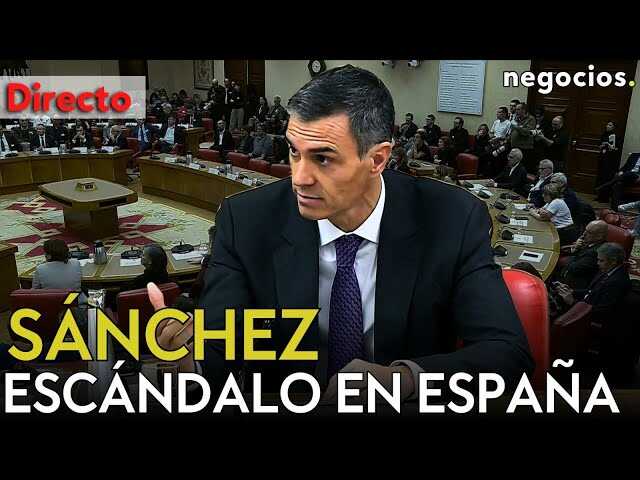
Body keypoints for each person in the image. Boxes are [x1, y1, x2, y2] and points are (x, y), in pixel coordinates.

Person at [149, 64, 533, 397]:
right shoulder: (246, 220)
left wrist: (406, 379)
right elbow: (221, 346)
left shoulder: (451, 218)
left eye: (323, 158)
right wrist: (190, 365)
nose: (299, 178)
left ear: (377, 159)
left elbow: (507, 353)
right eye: (294, 151)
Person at [556, 220, 609, 290]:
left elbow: (574, 268)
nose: (584, 234)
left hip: (575, 283)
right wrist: (576, 248)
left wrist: (577, 249)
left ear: (599, 237)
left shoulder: (596, 252)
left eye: (589, 232)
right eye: (585, 230)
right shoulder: (591, 242)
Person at [594, 121, 621, 202]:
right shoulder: (604, 134)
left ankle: (605, 197)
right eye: (607, 124)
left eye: (610, 125)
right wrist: (602, 145)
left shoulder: (616, 136)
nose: (607, 126)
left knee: (607, 178)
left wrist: (609, 146)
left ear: (614, 127)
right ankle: (599, 195)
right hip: (602, 158)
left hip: (610, 160)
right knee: (600, 177)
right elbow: (599, 145)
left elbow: (616, 149)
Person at [509, 102, 537, 174]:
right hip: (514, 146)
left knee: (521, 169)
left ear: (524, 110)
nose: (516, 111)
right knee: (513, 167)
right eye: (516, 109)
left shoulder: (531, 119)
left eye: (518, 109)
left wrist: (517, 127)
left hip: (524, 148)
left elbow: (527, 132)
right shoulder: (516, 118)